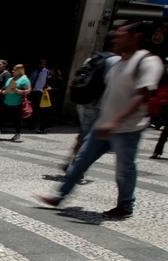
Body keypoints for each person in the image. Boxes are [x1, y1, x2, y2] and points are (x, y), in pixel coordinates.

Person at [39, 21, 163, 219]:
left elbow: (143, 96)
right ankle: (60, 195)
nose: (115, 38)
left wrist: (117, 121)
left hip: (128, 128)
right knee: (81, 160)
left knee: (124, 168)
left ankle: (125, 205)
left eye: (121, 35)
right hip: (103, 124)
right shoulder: (118, 62)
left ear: (135, 37)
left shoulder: (148, 61)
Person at [0, 64, 30, 142]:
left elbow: (28, 91)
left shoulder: (24, 79)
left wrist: (17, 91)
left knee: (16, 120)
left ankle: (17, 134)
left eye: (14, 70)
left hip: (17, 103)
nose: (12, 71)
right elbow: (4, 88)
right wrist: (2, 92)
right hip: (6, 102)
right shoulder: (10, 79)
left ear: (19, 71)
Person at [29, 58, 50, 133]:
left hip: (42, 92)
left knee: (42, 110)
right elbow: (31, 80)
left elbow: (48, 81)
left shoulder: (47, 71)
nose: (42, 64)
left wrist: (47, 87)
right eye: (41, 63)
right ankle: (32, 125)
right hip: (33, 91)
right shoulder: (34, 71)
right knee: (33, 109)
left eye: (43, 63)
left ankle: (42, 126)